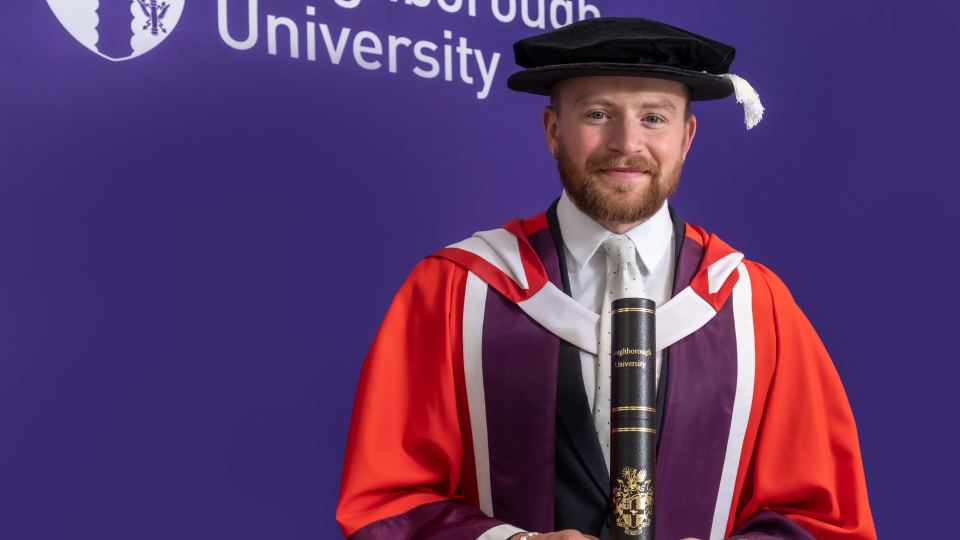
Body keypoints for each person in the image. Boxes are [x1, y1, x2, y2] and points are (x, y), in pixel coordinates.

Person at [335, 17, 877, 540]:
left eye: (654, 118)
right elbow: (388, 503)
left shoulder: (755, 305)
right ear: (553, 130)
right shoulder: (454, 290)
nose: (626, 142)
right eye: (597, 114)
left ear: (687, 137)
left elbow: (822, 519)